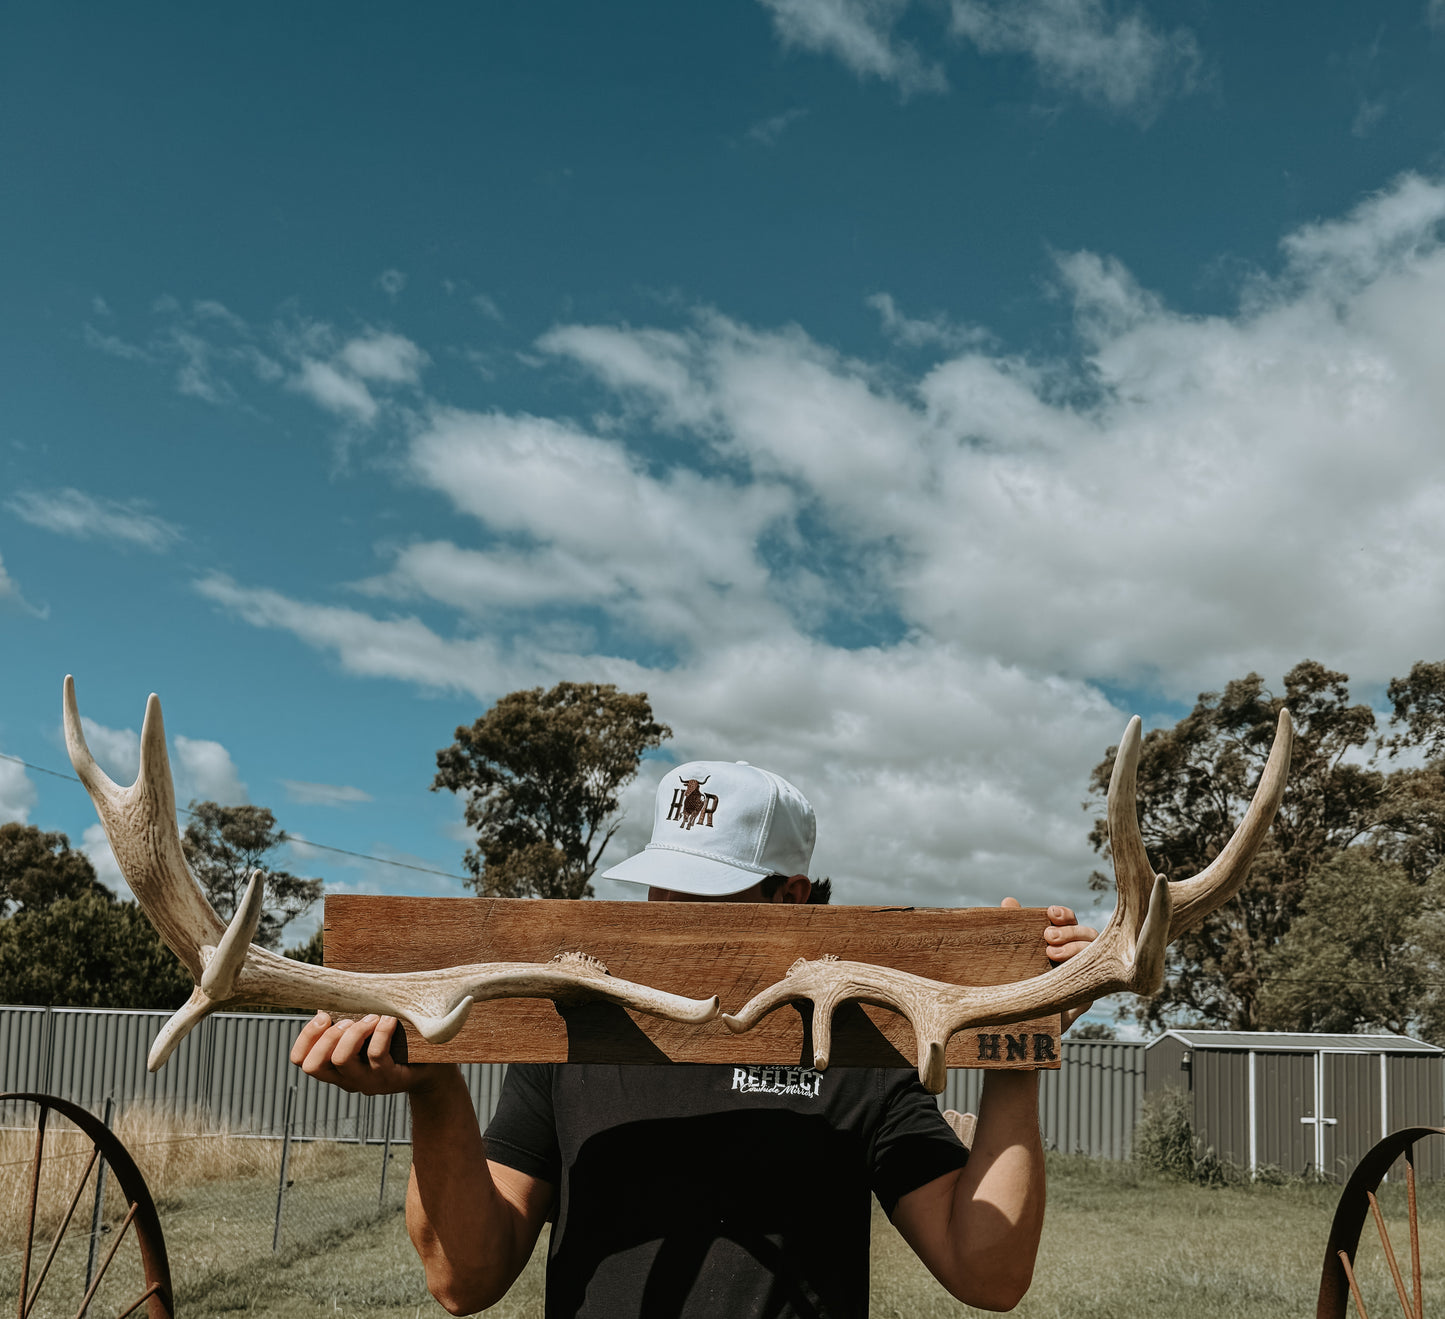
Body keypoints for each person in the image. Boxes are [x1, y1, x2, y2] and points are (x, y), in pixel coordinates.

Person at [292, 759, 1098, 1317]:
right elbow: (464, 1279)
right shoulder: (567, 1037)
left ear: (789, 896)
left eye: (702, 892)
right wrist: (433, 1087)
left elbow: (986, 1273)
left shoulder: (861, 1050)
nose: (663, 909)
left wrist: (1014, 1048)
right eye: (659, 883)